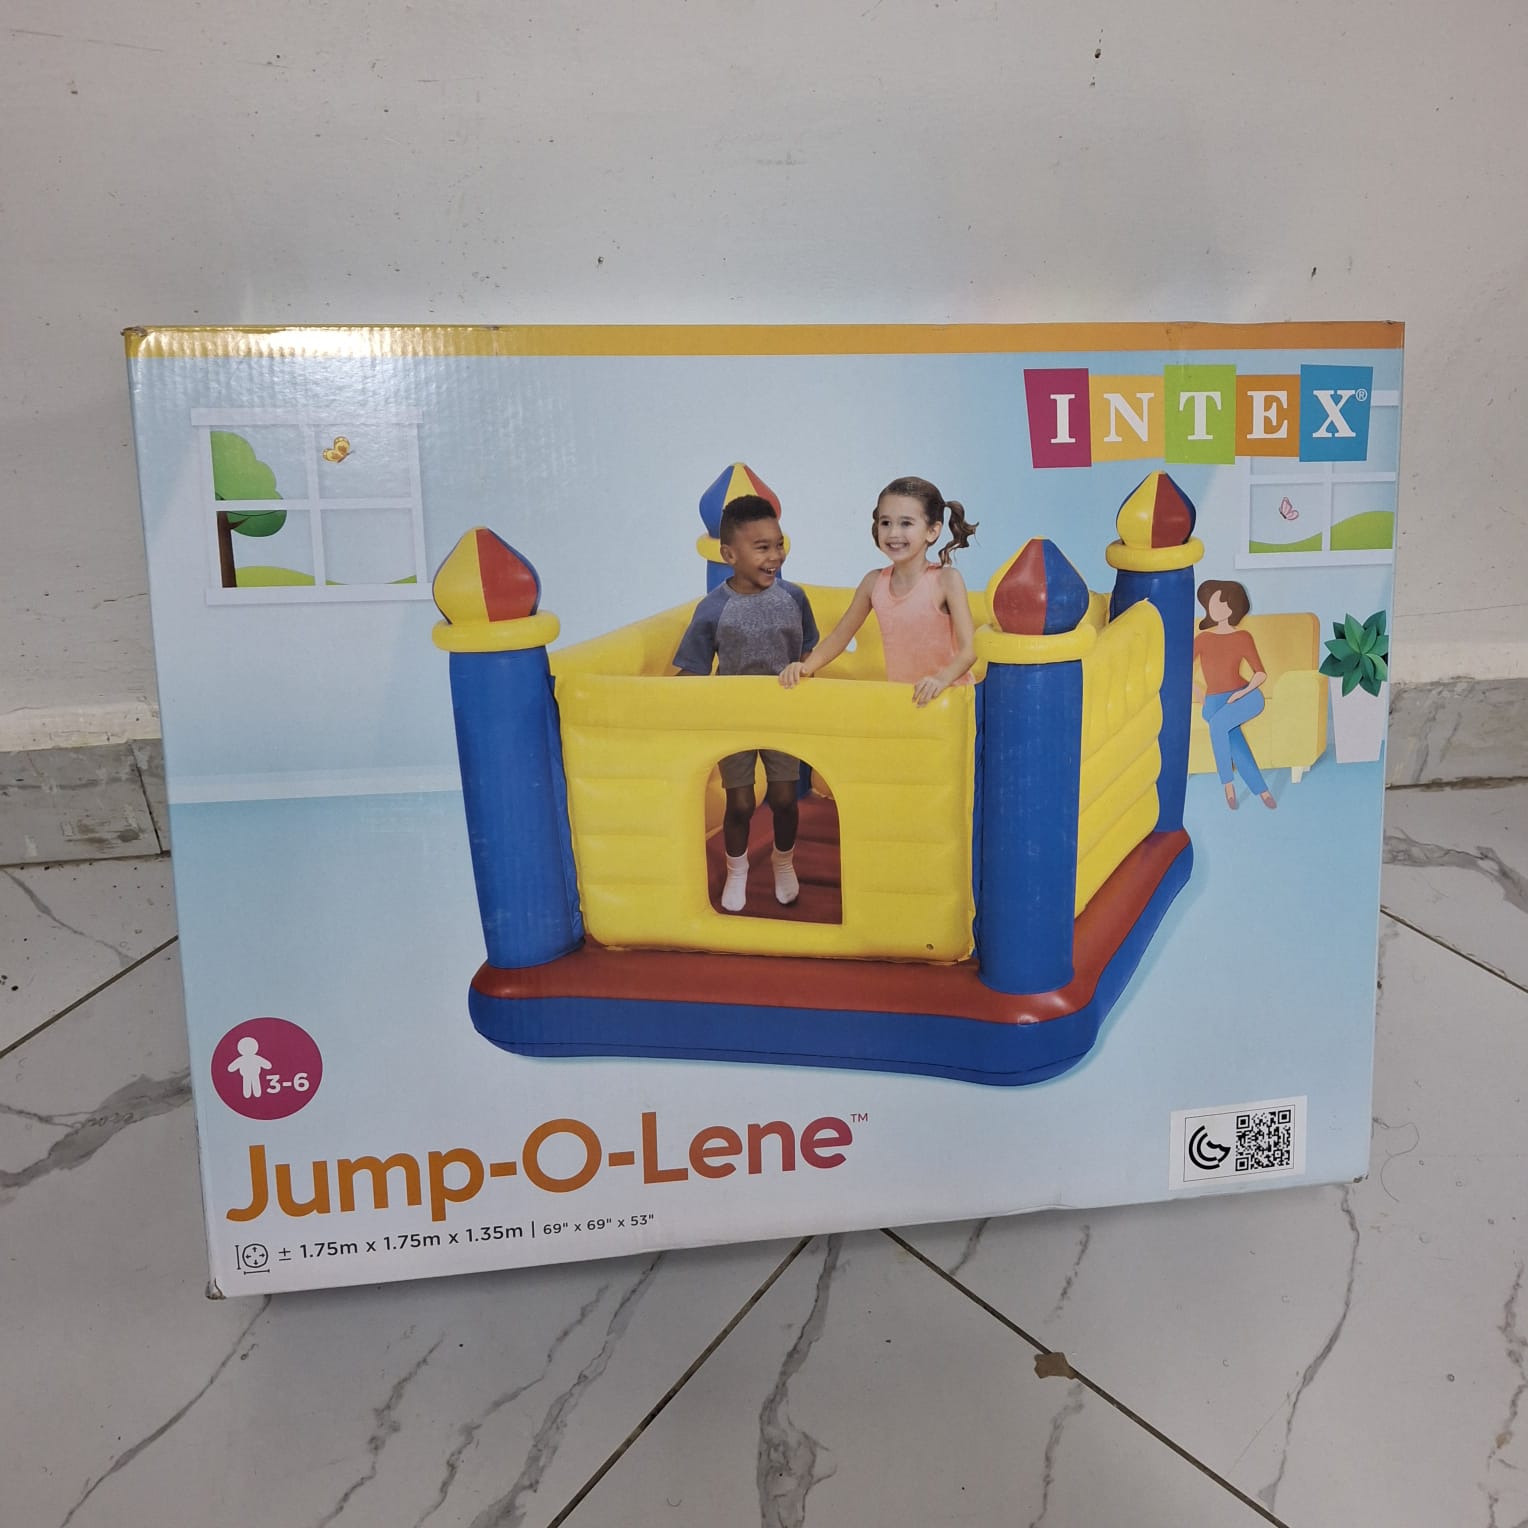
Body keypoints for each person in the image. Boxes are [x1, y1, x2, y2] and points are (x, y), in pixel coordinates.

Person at [673, 495, 819, 912]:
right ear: (729, 555)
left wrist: (806, 677)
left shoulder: (794, 598)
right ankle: (737, 871)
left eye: (778, 545)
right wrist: (658, 706)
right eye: (762, 548)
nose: (775, 556)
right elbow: (693, 667)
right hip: (732, 716)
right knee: (740, 803)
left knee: (784, 798)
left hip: (782, 713)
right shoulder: (714, 608)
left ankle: (783, 862)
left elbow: (809, 651)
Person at [778, 476, 977, 706]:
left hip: (949, 699)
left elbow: (970, 650)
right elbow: (839, 637)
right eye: (885, 523)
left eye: (906, 523)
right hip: (904, 700)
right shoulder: (874, 583)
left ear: (932, 531)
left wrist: (940, 680)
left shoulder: (946, 580)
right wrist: (805, 667)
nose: (893, 533)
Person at [1192, 579, 1277, 811]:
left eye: (1221, 603)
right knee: (1229, 734)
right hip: (1214, 702)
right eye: (1212, 603)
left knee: (1219, 726)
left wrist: (1241, 694)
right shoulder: (1203, 639)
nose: (1215, 607)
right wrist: (1198, 693)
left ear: (1232, 607)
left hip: (1246, 696)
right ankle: (1259, 790)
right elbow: (1182, 669)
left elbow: (1260, 673)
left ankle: (1228, 787)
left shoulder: (1243, 637)